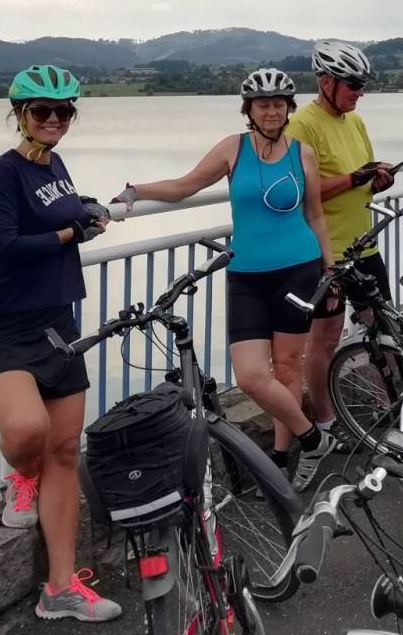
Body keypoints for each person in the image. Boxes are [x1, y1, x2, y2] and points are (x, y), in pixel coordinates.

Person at [112, 67, 338, 491]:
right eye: (262, 105)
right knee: (251, 376)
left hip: (299, 267)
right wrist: (136, 190)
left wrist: (330, 270)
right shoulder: (233, 149)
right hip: (246, 274)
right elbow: (185, 186)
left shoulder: (302, 153)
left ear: (289, 108)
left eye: (279, 104)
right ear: (248, 110)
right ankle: (313, 439)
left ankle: (280, 455)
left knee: (287, 366)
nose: (271, 111)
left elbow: (316, 215)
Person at [0, 65, 121, 623]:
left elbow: (59, 206)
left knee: (64, 450)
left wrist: (87, 209)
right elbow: (4, 246)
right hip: (5, 328)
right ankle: (19, 475)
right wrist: (68, 233)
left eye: (64, 112)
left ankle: (60, 588)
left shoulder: (53, 164)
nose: (54, 120)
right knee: (28, 432)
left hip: (58, 322)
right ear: (19, 114)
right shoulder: (1, 174)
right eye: (41, 111)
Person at [286, 39, 398, 463]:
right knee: (326, 339)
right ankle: (327, 422)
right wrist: (354, 179)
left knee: (384, 327)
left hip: (363, 246)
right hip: (324, 253)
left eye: (363, 85)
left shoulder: (356, 122)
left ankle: (393, 405)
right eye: (353, 84)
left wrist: (378, 179)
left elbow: (361, 177)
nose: (359, 93)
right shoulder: (303, 126)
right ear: (326, 82)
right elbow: (301, 192)